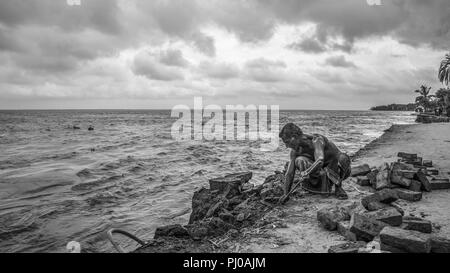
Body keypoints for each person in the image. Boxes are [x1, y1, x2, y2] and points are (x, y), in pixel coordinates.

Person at [279, 123, 351, 200]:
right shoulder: (295, 151)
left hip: (337, 171)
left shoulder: (317, 140)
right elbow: (289, 173)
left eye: (287, 142)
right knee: (299, 160)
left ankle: (338, 187)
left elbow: (320, 160)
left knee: (343, 158)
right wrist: (286, 194)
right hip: (322, 174)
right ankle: (316, 186)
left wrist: (306, 172)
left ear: (295, 137)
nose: (286, 146)